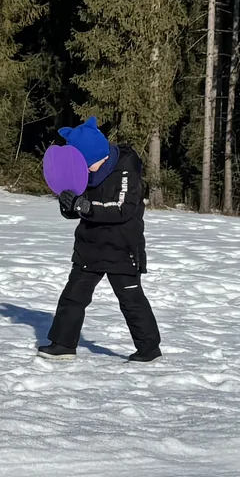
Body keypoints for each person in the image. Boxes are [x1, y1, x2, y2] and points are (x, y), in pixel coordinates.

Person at [41, 117, 161, 364]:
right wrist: (69, 206)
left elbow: (122, 209)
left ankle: (149, 350)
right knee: (73, 296)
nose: (83, 170)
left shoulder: (127, 168)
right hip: (90, 246)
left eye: (86, 164)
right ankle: (62, 344)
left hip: (122, 247)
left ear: (99, 156)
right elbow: (77, 206)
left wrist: (84, 206)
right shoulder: (82, 171)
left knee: (131, 300)